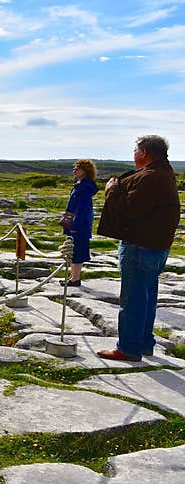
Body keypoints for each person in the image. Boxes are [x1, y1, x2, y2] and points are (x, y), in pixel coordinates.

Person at [95, 134, 181, 361]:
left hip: (140, 246)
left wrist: (111, 190)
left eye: (135, 150)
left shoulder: (151, 177)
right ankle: (143, 343)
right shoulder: (164, 174)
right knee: (146, 297)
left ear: (144, 153)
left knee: (133, 299)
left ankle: (128, 348)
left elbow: (131, 208)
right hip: (155, 246)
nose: (133, 155)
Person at [59, 158, 98, 287]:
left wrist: (76, 225)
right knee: (73, 249)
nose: (74, 171)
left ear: (85, 171)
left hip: (79, 223)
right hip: (76, 222)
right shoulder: (81, 185)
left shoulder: (84, 187)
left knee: (78, 250)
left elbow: (82, 208)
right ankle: (73, 276)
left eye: (77, 169)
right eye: (74, 168)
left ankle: (75, 279)